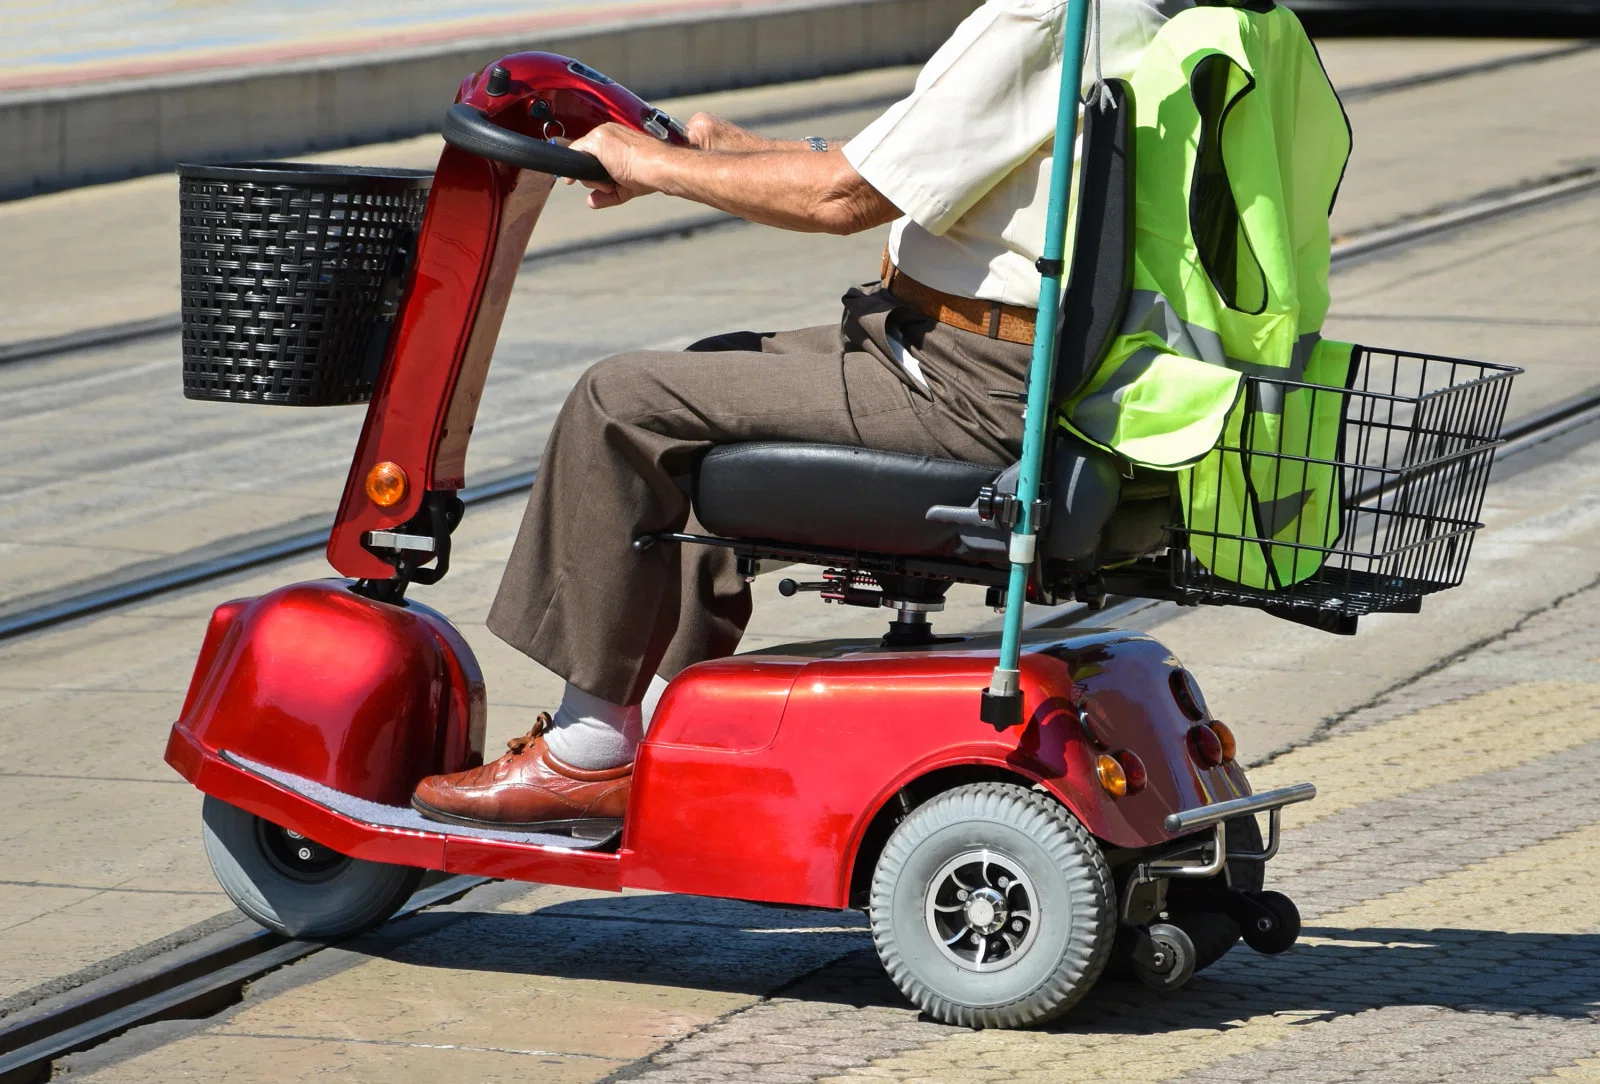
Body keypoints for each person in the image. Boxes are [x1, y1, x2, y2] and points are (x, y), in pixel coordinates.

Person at [410, 0, 1191, 832]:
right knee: (709, 373)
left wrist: (647, 163)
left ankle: (586, 754)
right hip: (955, 348)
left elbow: (843, 198)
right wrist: (733, 150)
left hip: (958, 381)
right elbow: (889, 162)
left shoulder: (1039, 20)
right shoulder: (1113, 12)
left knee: (621, 401)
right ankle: (674, 737)